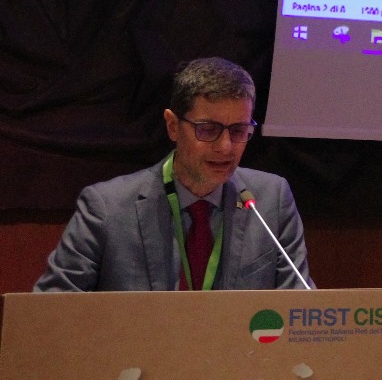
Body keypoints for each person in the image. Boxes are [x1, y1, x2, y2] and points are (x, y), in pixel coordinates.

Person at [35, 57, 311, 291]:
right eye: (208, 130)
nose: (225, 147)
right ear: (173, 126)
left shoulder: (271, 200)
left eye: (238, 131)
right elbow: (52, 310)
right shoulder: (106, 208)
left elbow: (300, 309)